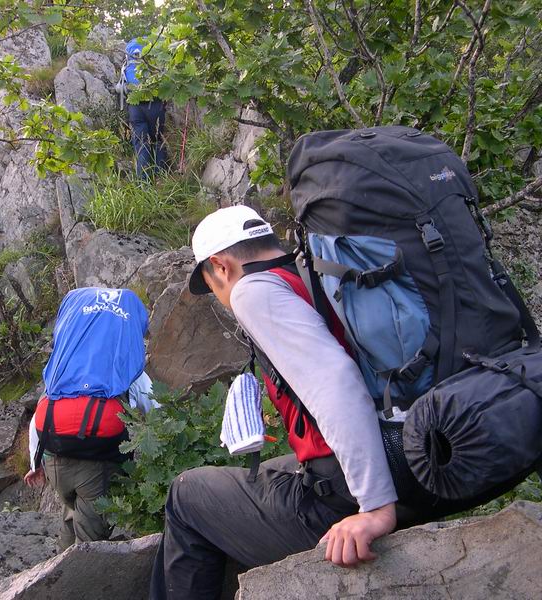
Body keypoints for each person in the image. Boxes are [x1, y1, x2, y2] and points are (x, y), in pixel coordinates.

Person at [149, 205, 399, 599]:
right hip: (397, 447)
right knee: (263, 474)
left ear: (221, 266)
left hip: (343, 496)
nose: (222, 299)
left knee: (186, 495)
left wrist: (376, 508)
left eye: (213, 287)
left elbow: (336, 380)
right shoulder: (308, 272)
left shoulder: (254, 290)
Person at [24, 287, 157, 550]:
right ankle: (80, 572)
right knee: (90, 541)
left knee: (72, 516)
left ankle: (58, 566)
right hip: (97, 464)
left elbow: (40, 414)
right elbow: (156, 409)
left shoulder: (63, 367)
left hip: (54, 462)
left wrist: (35, 462)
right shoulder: (125, 369)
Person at [116, 38, 168, 179]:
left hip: (135, 106)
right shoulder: (156, 62)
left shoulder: (128, 63)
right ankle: (161, 178)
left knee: (141, 143)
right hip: (155, 104)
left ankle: (143, 183)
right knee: (157, 140)